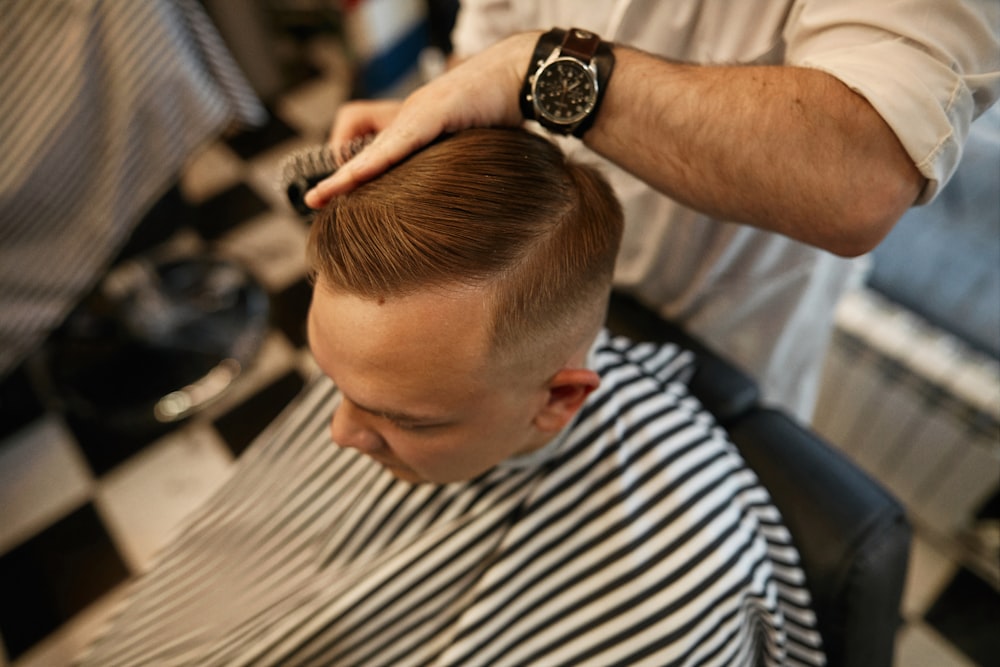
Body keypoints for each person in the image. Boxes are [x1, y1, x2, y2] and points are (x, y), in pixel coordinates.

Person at [78, 128, 824, 666]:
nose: (338, 433)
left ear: (561, 398)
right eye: (331, 383)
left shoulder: (679, 602)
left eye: (403, 419)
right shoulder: (407, 370)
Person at [304, 0, 1000, 421]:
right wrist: (445, 105)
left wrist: (539, 72)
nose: (342, 430)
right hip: (508, 333)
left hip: (719, 334)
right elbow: (492, 34)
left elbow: (856, 174)